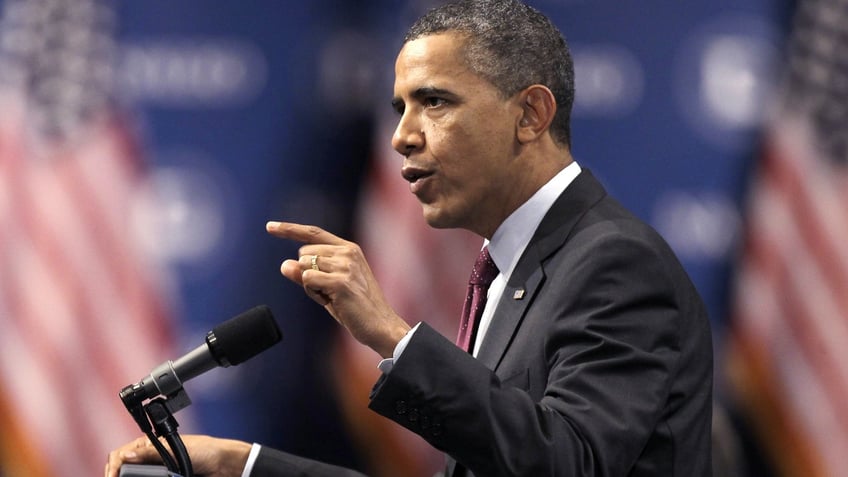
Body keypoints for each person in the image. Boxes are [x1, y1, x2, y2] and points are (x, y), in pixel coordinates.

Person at [106, 1, 713, 476]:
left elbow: (570, 465)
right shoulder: (510, 270)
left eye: (434, 102)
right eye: (399, 107)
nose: (402, 136)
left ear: (530, 115)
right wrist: (244, 465)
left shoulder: (614, 262)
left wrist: (392, 336)